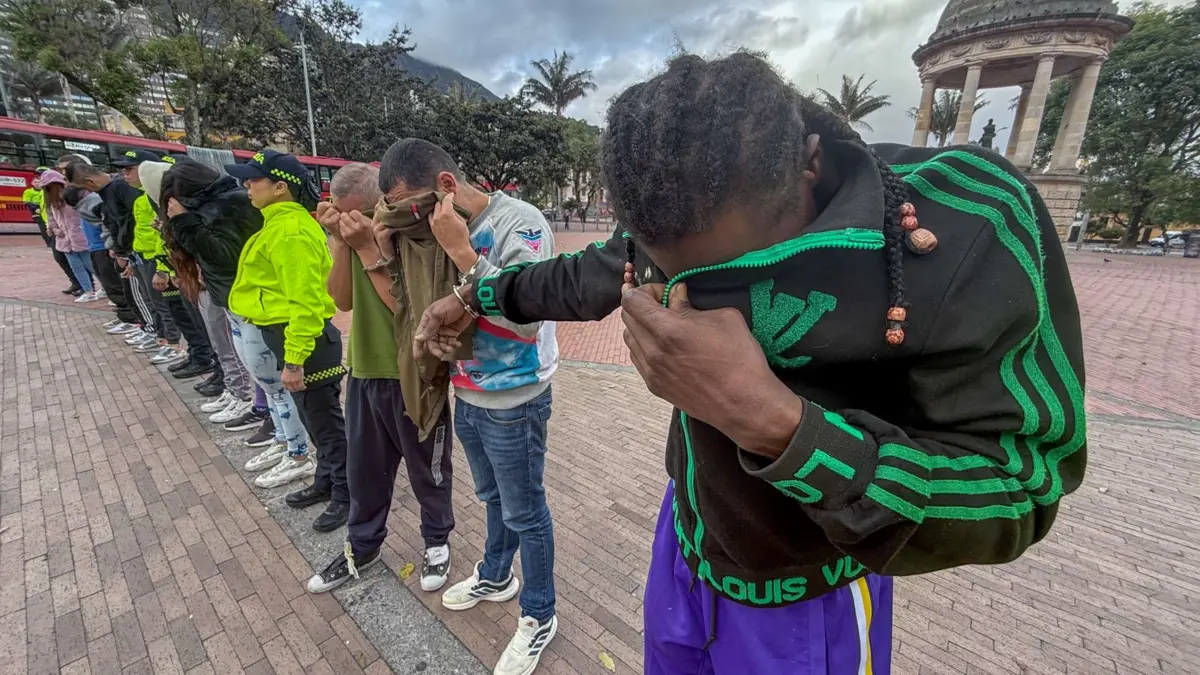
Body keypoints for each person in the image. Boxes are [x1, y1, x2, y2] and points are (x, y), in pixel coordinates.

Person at [414, 53, 1087, 674]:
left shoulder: (965, 222)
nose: (693, 293)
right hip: (686, 541)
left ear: (809, 166)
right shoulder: (677, 202)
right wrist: (473, 295)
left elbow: (1022, 486)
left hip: (806, 595)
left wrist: (777, 424)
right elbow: (586, 275)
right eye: (671, 269)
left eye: (730, 270)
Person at [379, 138, 560, 675]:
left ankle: (540, 614)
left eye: (414, 206)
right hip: (468, 393)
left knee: (526, 511)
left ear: (445, 186)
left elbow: (527, 320)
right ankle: (497, 574)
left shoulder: (518, 224)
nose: (413, 220)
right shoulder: (431, 233)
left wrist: (463, 253)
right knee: (492, 497)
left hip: (515, 399)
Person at [304, 163, 455, 595]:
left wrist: (369, 246)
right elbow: (341, 300)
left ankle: (437, 542)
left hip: (413, 373)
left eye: (356, 213)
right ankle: (362, 546)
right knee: (364, 472)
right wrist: (340, 242)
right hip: (365, 369)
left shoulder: (412, 237)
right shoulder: (351, 238)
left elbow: (412, 312)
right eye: (339, 212)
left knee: (429, 471)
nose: (348, 220)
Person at [223, 149, 349, 531]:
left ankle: (347, 495)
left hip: (306, 346)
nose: (246, 185)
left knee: (327, 428)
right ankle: (327, 481)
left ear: (280, 187)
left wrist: (294, 360)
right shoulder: (278, 225)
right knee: (314, 423)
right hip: (293, 340)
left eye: (254, 179)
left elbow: (306, 302)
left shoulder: (290, 231)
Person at [155, 161, 259, 429]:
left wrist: (184, 222)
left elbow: (223, 256)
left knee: (248, 356)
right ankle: (248, 398)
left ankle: (246, 397)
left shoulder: (228, 205)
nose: (250, 187)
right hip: (223, 289)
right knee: (231, 347)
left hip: (239, 292)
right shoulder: (215, 205)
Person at [65, 160, 158, 348]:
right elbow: (114, 223)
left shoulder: (120, 189)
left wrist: (123, 252)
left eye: (129, 170)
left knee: (147, 297)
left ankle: (156, 332)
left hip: (137, 251)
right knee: (139, 294)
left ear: (90, 182)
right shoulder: (108, 192)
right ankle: (152, 330)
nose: (126, 174)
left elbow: (130, 223)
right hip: (129, 250)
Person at [39, 170, 103, 303]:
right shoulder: (50, 201)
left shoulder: (71, 196)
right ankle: (88, 291)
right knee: (76, 267)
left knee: (90, 265)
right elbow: (51, 218)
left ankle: (105, 287)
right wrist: (53, 228)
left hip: (79, 236)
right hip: (64, 239)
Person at [25, 166, 82, 294]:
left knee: (79, 258)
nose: (41, 177)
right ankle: (76, 282)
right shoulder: (45, 192)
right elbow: (48, 212)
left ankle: (85, 285)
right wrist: (50, 226)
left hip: (68, 230)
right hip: (55, 229)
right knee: (59, 257)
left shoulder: (63, 192)